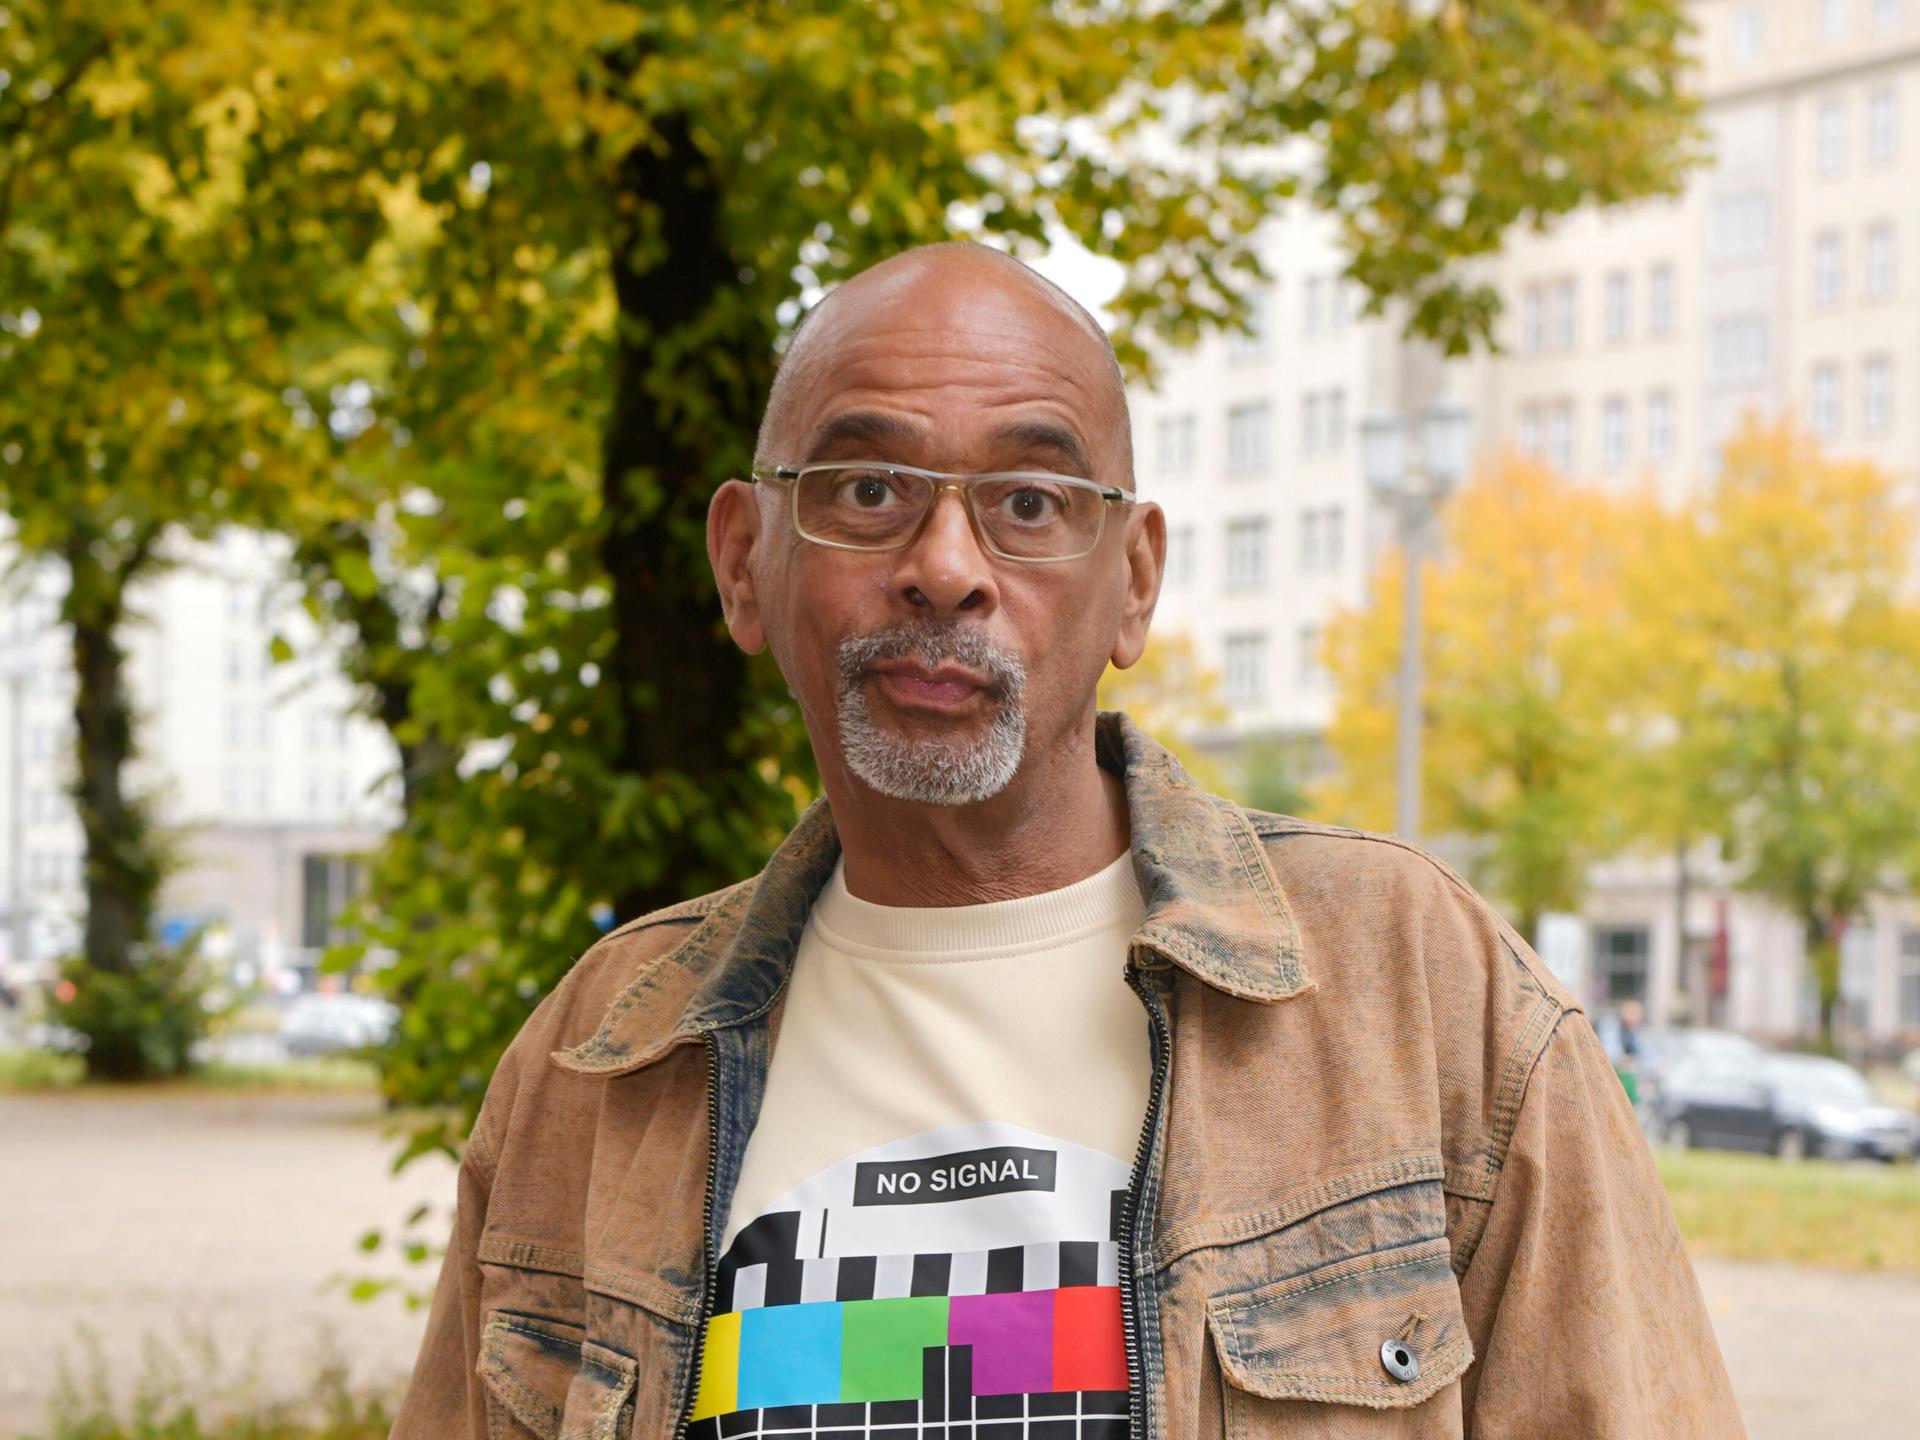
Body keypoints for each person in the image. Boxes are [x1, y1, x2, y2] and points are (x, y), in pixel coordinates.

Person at [392, 244, 1743, 1439]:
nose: (945, 565)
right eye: (867, 489)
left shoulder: (1421, 1000)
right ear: (746, 563)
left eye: (1029, 504)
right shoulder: (595, 1065)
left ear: (1133, 579)